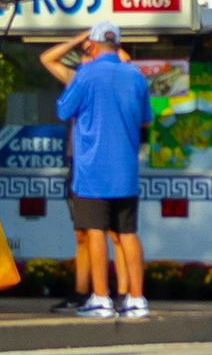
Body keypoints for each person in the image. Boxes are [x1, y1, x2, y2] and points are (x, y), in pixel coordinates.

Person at [41, 21, 152, 320]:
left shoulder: (86, 74)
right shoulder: (136, 76)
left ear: (91, 45)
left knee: (95, 232)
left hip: (92, 169)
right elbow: (146, 120)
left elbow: (64, 110)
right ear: (118, 44)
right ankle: (136, 299)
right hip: (126, 170)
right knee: (128, 233)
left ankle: (101, 298)